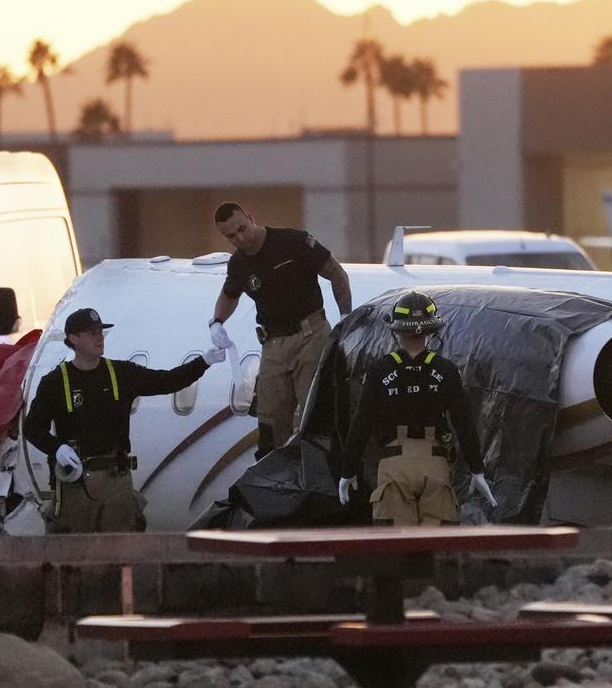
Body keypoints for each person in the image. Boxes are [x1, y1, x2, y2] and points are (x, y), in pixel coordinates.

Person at [24, 308, 225, 533]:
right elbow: (32, 428)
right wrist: (56, 448)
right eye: (92, 333)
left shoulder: (120, 373)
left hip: (115, 478)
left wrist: (204, 362)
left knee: (124, 547)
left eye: (101, 331)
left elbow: (167, 381)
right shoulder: (55, 382)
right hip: (76, 483)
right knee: (76, 552)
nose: (100, 337)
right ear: (73, 339)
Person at [337, 291, 496, 525]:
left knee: (396, 547)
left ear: (395, 330)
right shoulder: (446, 370)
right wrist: (477, 469)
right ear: (432, 330)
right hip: (435, 465)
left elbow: (361, 423)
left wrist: (347, 471)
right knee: (437, 546)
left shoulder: (379, 371)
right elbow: (464, 422)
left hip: (394, 465)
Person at [208, 202, 352, 458]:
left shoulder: (292, 242)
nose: (240, 237)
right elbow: (229, 294)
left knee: (314, 409)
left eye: (242, 228)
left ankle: (323, 472)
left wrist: (345, 316)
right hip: (273, 343)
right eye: (231, 236)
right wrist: (216, 321)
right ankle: (273, 479)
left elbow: (336, 273)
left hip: (311, 334)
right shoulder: (239, 264)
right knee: (270, 418)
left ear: (251, 217)